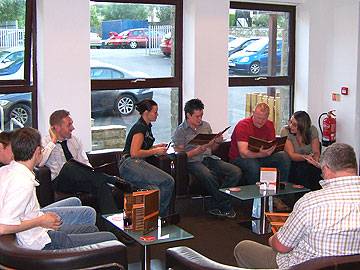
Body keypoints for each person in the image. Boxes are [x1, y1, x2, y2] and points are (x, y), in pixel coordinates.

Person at [234, 143, 360, 269]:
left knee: (243, 248)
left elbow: (281, 246)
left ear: (326, 169)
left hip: (301, 266)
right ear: (355, 166)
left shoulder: (311, 202)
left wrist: (272, 239)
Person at [0, 127, 118, 250]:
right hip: (41, 241)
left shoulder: (6, 170)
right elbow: (3, 227)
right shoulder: (22, 183)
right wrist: (40, 220)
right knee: (111, 238)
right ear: (38, 151)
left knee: (91, 225)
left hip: (38, 230)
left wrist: (40, 217)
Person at [39, 110, 131, 215]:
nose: (73, 128)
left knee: (101, 184)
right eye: (69, 125)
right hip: (60, 182)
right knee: (69, 165)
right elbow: (40, 163)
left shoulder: (75, 140)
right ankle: (113, 179)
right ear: (57, 127)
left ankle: (111, 219)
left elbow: (84, 163)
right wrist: (53, 141)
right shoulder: (45, 142)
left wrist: (93, 173)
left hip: (77, 180)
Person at [1, 130, 97, 227]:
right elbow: (5, 225)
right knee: (89, 213)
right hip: (35, 230)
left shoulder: (8, 169)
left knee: (75, 201)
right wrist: (41, 221)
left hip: (34, 213)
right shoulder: (21, 181)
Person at [172, 99, 242, 218]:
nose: (200, 119)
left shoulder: (206, 125)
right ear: (188, 115)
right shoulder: (180, 131)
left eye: (201, 116)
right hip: (193, 162)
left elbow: (213, 148)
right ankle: (225, 205)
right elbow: (180, 157)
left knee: (235, 171)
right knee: (208, 175)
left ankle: (217, 203)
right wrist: (194, 152)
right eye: (197, 116)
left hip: (209, 158)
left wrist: (217, 142)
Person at [118, 99, 174, 217]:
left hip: (134, 164)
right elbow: (134, 152)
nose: (157, 114)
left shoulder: (146, 127)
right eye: (155, 112)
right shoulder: (140, 128)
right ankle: (160, 217)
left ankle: (149, 218)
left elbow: (141, 147)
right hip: (130, 164)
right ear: (146, 113)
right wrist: (156, 151)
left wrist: (156, 147)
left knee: (155, 189)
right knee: (168, 181)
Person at [229, 102, 290, 185]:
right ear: (253, 113)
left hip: (262, 156)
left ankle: (281, 189)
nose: (260, 121)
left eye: (264, 119)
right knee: (253, 165)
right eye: (258, 118)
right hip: (240, 158)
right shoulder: (243, 125)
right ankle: (255, 195)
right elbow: (243, 153)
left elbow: (271, 144)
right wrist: (261, 154)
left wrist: (272, 149)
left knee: (283, 156)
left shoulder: (269, 125)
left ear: (268, 116)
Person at [280, 111, 322, 190]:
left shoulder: (312, 130)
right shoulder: (285, 131)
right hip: (293, 162)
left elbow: (316, 151)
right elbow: (292, 155)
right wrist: (307, 157)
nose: (290, 126)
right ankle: (302, 196)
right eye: (290, 122)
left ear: (302, 126)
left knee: (316, 171)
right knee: (302, 170)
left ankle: (315, 195)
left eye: (294, 125)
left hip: (309, 160)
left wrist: (315, 161)